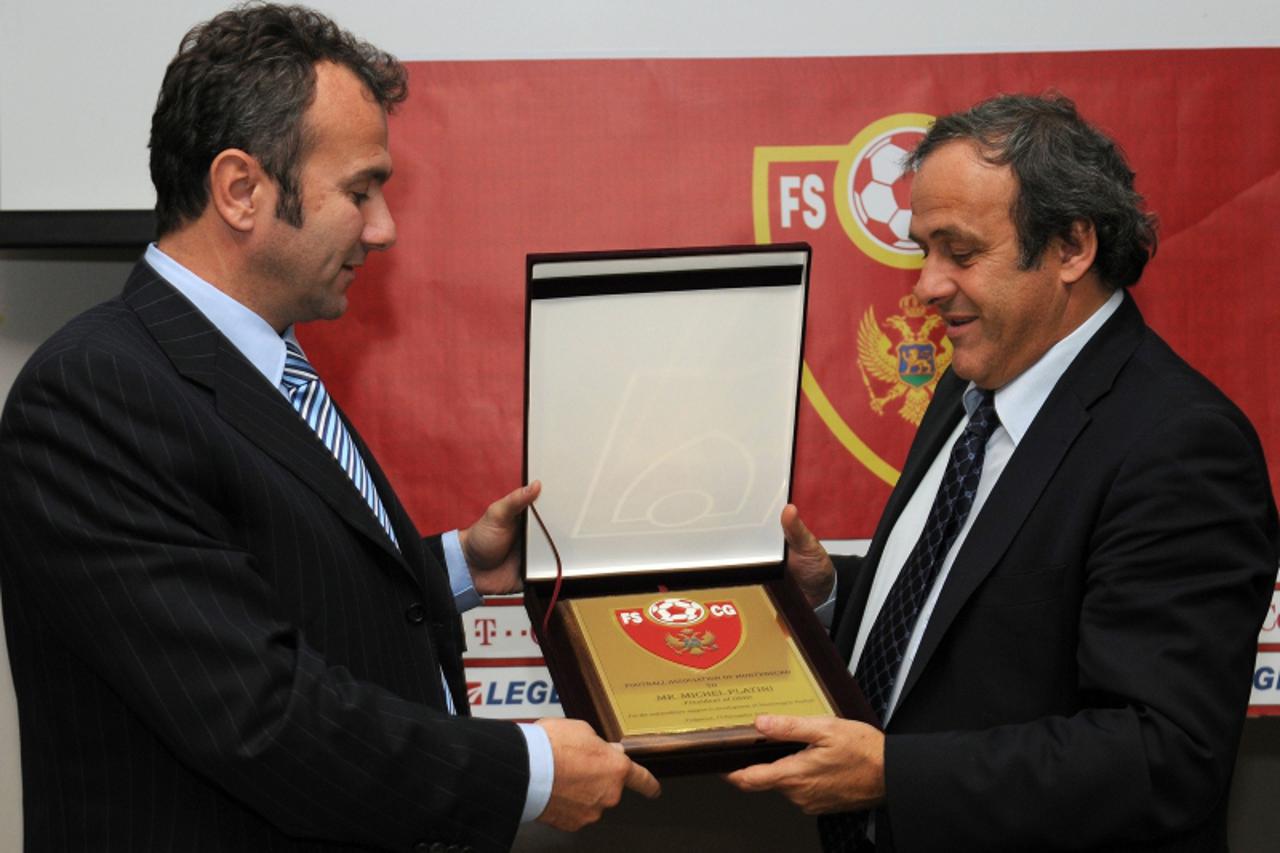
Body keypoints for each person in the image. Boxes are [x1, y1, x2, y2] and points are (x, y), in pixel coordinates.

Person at [0, 4, 658, 852]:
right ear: (242, 190)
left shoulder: (258, 358)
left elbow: (278, 569)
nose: (382, 230)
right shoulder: (92, 395)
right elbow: (258, 711)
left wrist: (455, 564)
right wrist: (525, 770)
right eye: (360, 191)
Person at [727, 93, 1279, 851]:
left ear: (1071, 247)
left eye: (960, 251)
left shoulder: (1179, 444)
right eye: (922, 249)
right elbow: (972, 614)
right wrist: (832, 591)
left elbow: (1165, 756)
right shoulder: (970, 381)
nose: (925, 285)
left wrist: (896, 772)